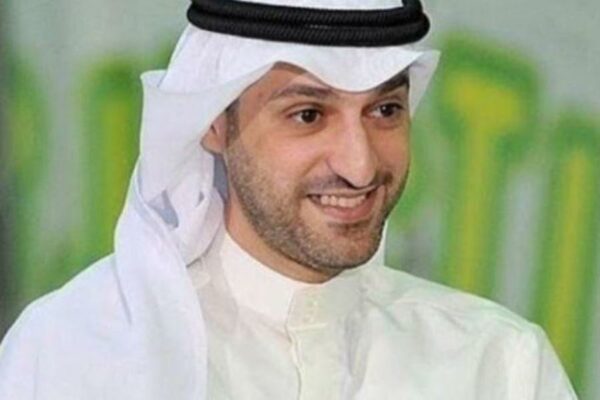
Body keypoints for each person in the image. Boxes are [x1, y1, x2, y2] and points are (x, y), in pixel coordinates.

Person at [0, 0, 577, 399]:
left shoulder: (500, 365)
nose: (359, 165)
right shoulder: (72, 354)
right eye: (308, 115)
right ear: (213, 123)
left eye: (384, 110)